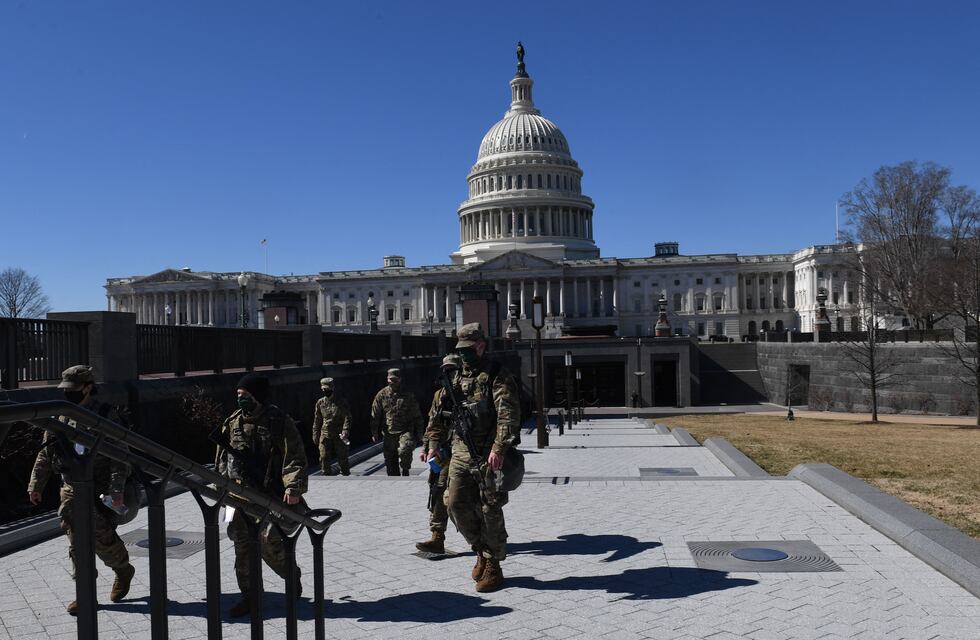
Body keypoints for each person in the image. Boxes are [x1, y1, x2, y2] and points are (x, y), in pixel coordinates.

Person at [27, 365, 136, 615]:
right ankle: (85, 595)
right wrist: (36, 485)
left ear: (88, 388)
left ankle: (122, 568)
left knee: (101, 539)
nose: (68, 394)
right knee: (77, 543)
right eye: (66, 390)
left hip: (98, 490)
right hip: (71, 488)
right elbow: (46, 453)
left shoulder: (106, 416)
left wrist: (116, 490)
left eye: (74, 390)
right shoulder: (61, 416)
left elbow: (121, 457)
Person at [431, 323, 519, 592]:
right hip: (460, 451)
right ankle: (480, 549)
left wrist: (499, 448)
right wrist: (434, 443)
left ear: (481, 346)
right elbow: (439, 414)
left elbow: (508, 415)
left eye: (470, 349)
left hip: (487, 453)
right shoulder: (455, 378)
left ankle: (494, 564)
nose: (465, 355)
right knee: (455, 503)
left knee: (489, 509)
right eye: (462, 350)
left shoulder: (496, 375)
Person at [213, 373, 308, 617]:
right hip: (237, 497)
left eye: (245, 395)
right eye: (238, 395)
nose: (240, 399)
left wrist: (293, 487)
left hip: (267, 496)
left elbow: (294, 455)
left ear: (258, 396)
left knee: (268, 544)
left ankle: (291, 574)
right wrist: (220, 488)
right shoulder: (232, 421)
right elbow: (222, 458)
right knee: (242, 549)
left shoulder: (278, 420)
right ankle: (250, 598)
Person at [415, 354, 461, 554]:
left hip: (466, 451)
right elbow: (433, 424)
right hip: (444, 451)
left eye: (453, 370)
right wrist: (428, 447)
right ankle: (437, 537)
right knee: (438, 489)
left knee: (467, 495)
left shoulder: (468, 392)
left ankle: (482, 539)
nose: (449, 374)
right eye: (446, 370)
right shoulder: (439, 395)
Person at [370, 368, 424, 476]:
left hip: (405, 430)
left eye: (394, 379)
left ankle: (405, 469)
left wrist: (420, 433)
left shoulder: (408, 395)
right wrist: (374, 432)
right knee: (390, 463)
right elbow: (375, 414)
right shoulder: (381, 394)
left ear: (400, 379)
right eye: (390, 379)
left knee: (405, 450)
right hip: (389, 432)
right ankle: (395, 481)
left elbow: (417, 415)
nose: (392, 382)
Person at [311, 377, 352, 476]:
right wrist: (315, 434)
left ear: (332, 388)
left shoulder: (341, 402)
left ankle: (346, 477)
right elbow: (317, 419)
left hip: (339, 434)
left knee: (343, 458)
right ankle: (326, 476)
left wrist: (345, 430)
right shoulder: (320, 403)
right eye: (324, 389)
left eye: (328, 389)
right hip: (325, 434)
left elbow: (348, 417)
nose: (326, 391)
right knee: (323, 457)